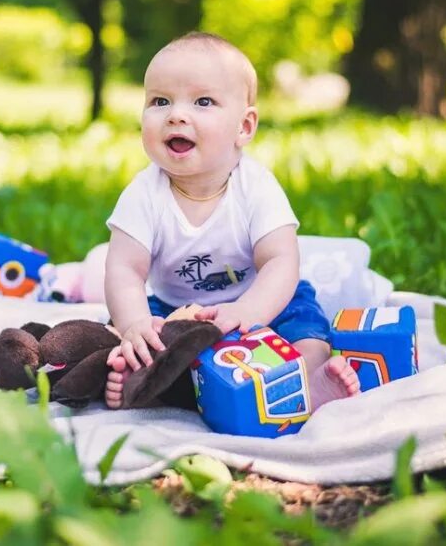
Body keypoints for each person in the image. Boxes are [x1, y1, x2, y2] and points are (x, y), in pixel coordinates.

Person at [103, 32, 360, 411]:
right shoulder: (143, 194)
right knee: (132, 334)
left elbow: (280, 261)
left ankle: (309, 381)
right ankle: (142, 380)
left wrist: (248, 313)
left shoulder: (256, 187)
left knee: (306, 326)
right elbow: (124, 270)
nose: (176, 114)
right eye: (160, 101)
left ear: (244, 127)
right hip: (174, 308)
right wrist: (135, 324)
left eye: (203, 101)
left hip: (259, 300)